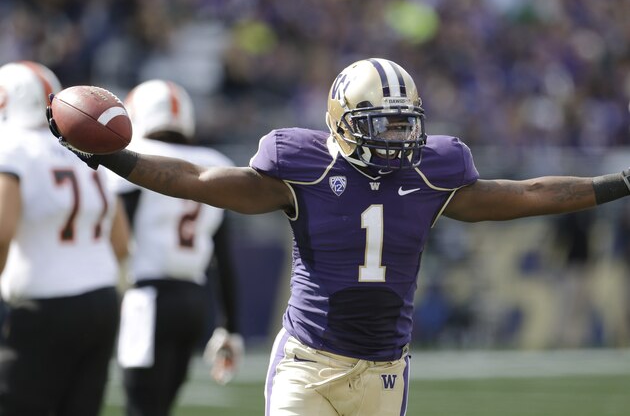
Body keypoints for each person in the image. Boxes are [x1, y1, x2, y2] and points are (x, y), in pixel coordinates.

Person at [47, 58, 630, 416]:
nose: (397, 138)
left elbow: (530, 193)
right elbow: (196, 178)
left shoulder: (433, 172)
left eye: (404, 123)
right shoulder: (302, 169)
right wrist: (114, 159)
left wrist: (620, 182)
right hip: (307, 362)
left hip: (384, 370)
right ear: (340, 122)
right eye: (381, 124)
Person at [0, 61, 130, 415]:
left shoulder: (11, 146)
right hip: (102, 301)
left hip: (43, 303)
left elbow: (2, 231)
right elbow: (121, 242)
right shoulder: (87, 149)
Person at [112, 79, 243, 416]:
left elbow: (119, 236)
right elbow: (223, 258)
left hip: (148, 298)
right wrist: (230, 326)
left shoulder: (135, 159)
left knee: (140, 406)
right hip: (193, 301)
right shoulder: (213, 162)